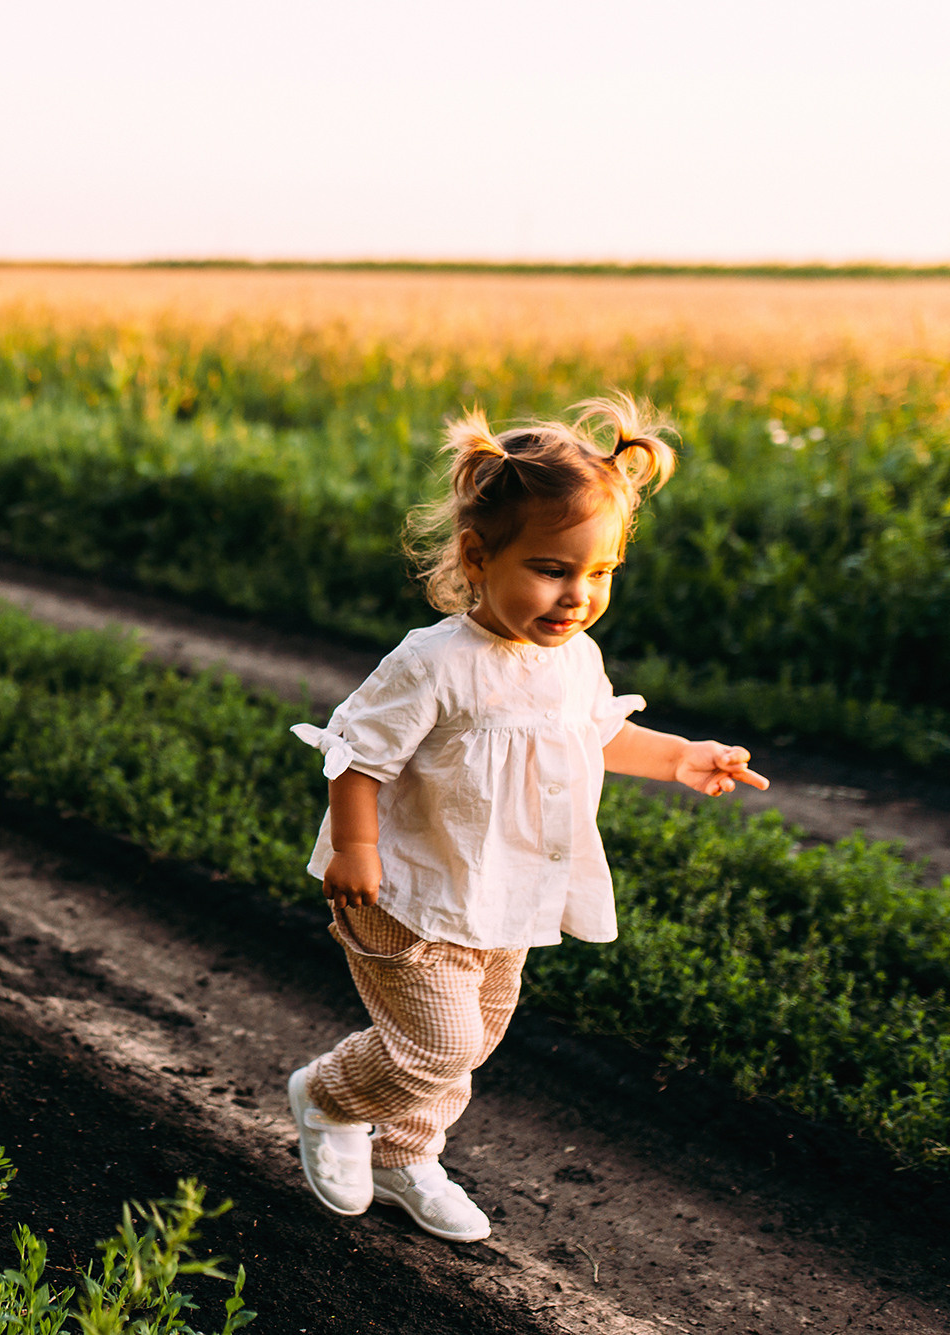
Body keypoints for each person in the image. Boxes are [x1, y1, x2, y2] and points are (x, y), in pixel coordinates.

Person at [284, 395, 767, 1244]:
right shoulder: (433, 663)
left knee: (471, 1042)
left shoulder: (574, 656)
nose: (576, 595)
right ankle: (327, 1097)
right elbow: (358, 754)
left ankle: (407, 1153)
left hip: (506, 893)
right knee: (434, 1044)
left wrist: (680, 754)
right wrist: (356, 847)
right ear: (478, 556)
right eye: (551, 568)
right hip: (407, 890)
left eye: (600, 573)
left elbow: (597, 730)